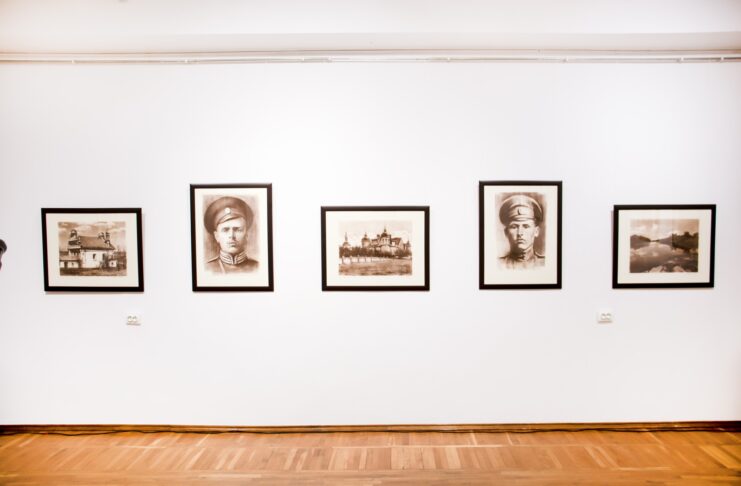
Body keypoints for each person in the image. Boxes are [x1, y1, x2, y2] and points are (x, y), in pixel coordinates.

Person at [203, 196, 258, 274]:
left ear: (246, 235)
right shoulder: (207, 269)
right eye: (225, 230)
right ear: (217, 236)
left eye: (237, 230)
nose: (232, 236)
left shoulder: (257, 268)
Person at [498, 194, 545, 269]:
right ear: (506, 232)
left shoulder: (545, 264)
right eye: (514, 227)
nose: (520, 233)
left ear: (536, 231)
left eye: (526, 226)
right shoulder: (498, 265)